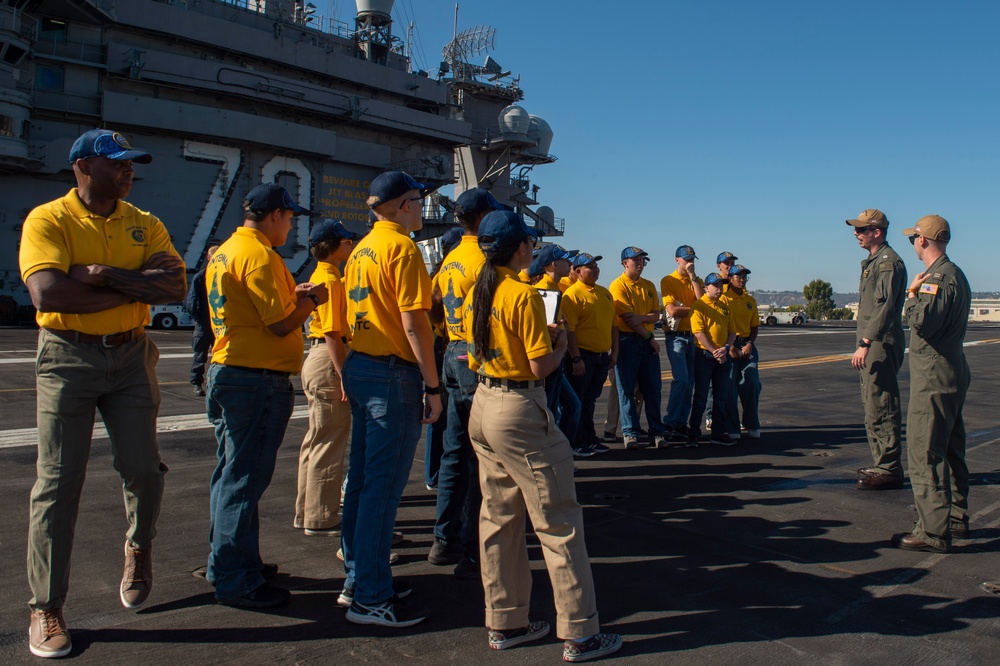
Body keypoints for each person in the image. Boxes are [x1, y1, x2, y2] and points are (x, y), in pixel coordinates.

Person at [19, 129, 186, 658]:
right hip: (67, 355)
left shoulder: (145, 222)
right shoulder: (49, 220)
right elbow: (48, 291)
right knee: (57, 482)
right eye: (118, 163)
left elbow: (177, 285)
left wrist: (102, 277)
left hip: (132, 354)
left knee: (142, 468)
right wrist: (136, 281)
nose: (129, 171)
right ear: (84, 167)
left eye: (131, 163)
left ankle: (138, 545)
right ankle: (45, 607)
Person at [465, 210, 622, 662]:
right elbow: (539, 366)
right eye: (529, 243)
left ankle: (506, 621)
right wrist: (557, 344)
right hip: (518, 407)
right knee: (558, 521)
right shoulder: (522, 294)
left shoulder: (481, 287)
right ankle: (580, 633)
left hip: (484, 403)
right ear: (520, 248)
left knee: (499, 519)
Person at [204, 183, 328, 608]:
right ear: (275, 215)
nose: (291, 227)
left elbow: (250, 306)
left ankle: (227, 561)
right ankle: (236, 579)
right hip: (254, 379)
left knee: (229, 475)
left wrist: (293, 295)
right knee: (244, 480)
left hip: (228, 369)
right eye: (290, 218)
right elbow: (278, 325)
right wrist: (312, 303)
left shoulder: (225, 252)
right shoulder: (260, 256)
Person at [340, 171, 442, 627]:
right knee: (382, 491)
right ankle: (371, 598)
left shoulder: (362, 247)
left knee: (361, 484)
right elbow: (414, 322)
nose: (422, 208)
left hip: (361, 364)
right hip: (390, 373)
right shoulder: (402, 248)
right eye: (418, 201)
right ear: (404, 204)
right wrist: (433, 385)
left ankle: (359, 580)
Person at [428, 188, 503, 576]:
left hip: (451, 353)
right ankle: (478, 547)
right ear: (485, 216)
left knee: (453, 452)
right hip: (475, 358)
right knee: (483, 455)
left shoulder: (452, 257)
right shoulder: (484, 259)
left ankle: (444, 540)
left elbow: (433, 302)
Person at [891, 215, 971, 554]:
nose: (913, 243)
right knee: (951, 447)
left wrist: (911, 295)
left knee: (925, 449)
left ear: (922, 240)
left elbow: (923, 322)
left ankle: (933, 531)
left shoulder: (935, 278)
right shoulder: (956, 275)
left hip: (934, 373)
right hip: (951, 368)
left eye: (914, 239)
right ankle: (955, 517)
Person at [295, 219, 360, 537]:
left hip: (315, 358)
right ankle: (322, 517)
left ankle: (307, 511)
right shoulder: (332, 280)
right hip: (329, 358)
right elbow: (334, 332)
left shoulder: (320, 275)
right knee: (330, 442)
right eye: (347, 241)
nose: (351, 244)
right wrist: (344, 374)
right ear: (334, 246)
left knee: (316, 440)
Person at [846, 209, 907, 490]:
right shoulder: (873, 261)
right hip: (875, 342)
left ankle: (889, 468)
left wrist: (865, 342)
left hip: (880, 343)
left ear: (877, 232)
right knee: (872, 403)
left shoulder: (887, 263)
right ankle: (882, 462)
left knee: (881, 403)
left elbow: (884, 307)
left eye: (862, 230)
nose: (856, 234)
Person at [609, 246, 667, 449]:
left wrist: (641, 318)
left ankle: (657, 432)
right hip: (628, 342)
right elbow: (627, 318)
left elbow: (655, 315)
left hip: (644, 340)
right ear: (625, 263)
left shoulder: (649, 285)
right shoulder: (617, 286)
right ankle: (630, 432)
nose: (641, 264)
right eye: (636, 260)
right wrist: (650, 337)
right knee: (626, 389)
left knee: (653, 389)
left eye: (643, 260)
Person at [530, 244, 585, 454]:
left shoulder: (555, 288)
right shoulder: (542, 290)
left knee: (570, 407)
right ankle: (554, 455)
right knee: (552, 410)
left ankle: (561, 452)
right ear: (553, 264)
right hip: (549, 358)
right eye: (565, 260)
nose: (570, 263)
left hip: (556, 357)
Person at [562, 253, 617, 454]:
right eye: (590, 266)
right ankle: (577, 442)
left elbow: (613, 325)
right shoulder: (572, 295)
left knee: (590, 400)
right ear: (577, 271)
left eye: (596, 266)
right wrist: (576, 358)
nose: (596, 269)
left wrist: (614, 352)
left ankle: (590, 438)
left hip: (602, 356)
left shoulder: (605, 293)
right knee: (578, 400)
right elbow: (570, 331)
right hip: (583, 356)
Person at [659, 245, 705, 444]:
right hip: (676, 336)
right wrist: (696, 309)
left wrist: (693, 277)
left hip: (693, 336)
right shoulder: (668, 280)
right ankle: (669, 421)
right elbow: (672, 311)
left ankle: (679, 422)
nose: (690, 262)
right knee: (682, 380)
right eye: (686, 259)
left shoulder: (696, 280)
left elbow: (703, 300)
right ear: (677, 260)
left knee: (690, 382)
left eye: (692, 259)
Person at [688, 273, 737, 447]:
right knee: (700, 396)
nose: (719, 289)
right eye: (716, 285)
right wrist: (715, 351)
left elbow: (732, 332)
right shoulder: (699, 306)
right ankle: (693, 434)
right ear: (706, 287)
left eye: (721, 285)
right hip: (704, 356)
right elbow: (698, 333)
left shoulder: (724, 307)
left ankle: (717, 433)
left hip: (722, 356)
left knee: (720, 397)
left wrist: (725, 349)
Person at [719, 265, 762, 439]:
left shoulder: (750, 300)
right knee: (730, 387)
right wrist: (731, 347)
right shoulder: (723, 299)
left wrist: (749, 343)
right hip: (730, 344)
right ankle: (732, 427)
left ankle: (751, 423)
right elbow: (721, 326)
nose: (742, 280)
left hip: (747, 345)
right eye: (739, 277)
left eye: (745, 277)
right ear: (730, 279)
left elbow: (754, 327)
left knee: (751, 383)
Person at [185, 245, 218, 396]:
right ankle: (196, 383)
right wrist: (200, 320)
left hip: (218, 323)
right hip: (205, 324)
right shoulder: (201, 277)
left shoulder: (221, 275)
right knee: (200, 356)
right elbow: (191, 302)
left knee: (221, 357)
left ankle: (216, 383)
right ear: (209, 257)